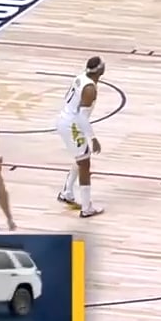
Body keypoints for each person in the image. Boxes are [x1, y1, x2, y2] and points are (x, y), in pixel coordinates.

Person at [57, 56, 106, 218]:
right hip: (72, 125)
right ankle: (86, 208)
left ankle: (67, 193)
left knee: (81, 157)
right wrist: (93, 138)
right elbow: (81, 117)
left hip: (66, 119)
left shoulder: (81, 77)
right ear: (99, 70)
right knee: (85, 164)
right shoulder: (89, 89)